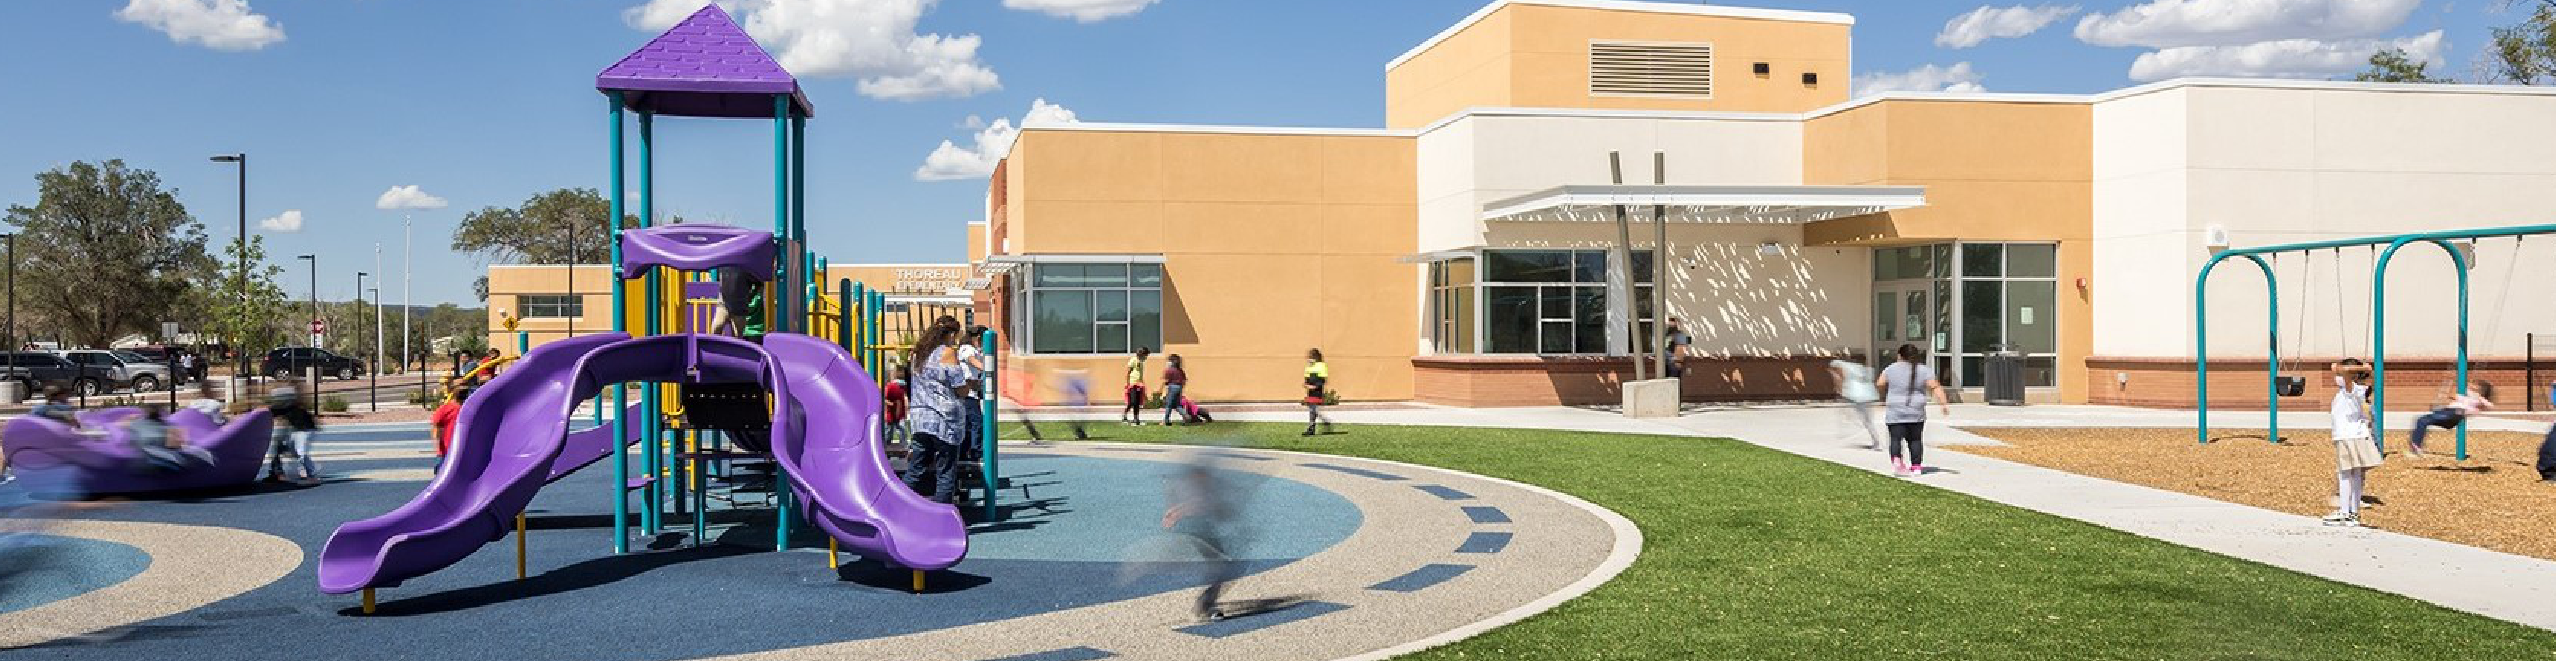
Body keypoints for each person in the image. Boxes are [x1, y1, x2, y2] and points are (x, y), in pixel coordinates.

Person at [903, 319, 973, 504]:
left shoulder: (917, 353)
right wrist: (971, 386)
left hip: (920, 418)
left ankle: (898, 507)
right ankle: (942, 514)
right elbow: (960, 388)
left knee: (915, 469)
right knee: (946, 472)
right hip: (944, 421)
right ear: (951, 334)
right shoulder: (947, 353)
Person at [2324, 359, 2384, 527]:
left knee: (2345, 474)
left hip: (2348, 436)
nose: (2337, 376)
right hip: (2355, 436)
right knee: (2355, 475)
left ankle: (2345, 513)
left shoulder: (2351, 389)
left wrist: (2358, 368)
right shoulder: (2356, 389)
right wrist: (2364, 369)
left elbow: (2339, 369)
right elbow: (2337, 368)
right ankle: (2353, 513)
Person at [1876, 344, 1950, 477]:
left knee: (1895, 438)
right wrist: (1943, 404)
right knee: (1915, 439)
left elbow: (1880, 383)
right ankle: (1916, 467)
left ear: (1899, 355)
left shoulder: (1891, 369)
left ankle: (1897, 463)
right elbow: (1935, 387)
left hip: (1895, 410)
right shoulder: (1924, 370)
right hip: (1916, 411)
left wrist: (1883, 395)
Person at [2407, 380, 2496, 458]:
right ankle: (2416, 447)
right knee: (2422, 420)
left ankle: (2416, 446)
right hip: (2448, 413)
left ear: (2480, 390)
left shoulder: (2478, 399)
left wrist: (2480, 399)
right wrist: (2445, 392)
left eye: (2474, 385)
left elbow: (2490, 406)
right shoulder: (2467, 397)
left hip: (2454, 414)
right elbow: (2454, 396)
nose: (2470, 386)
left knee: (2424, 419)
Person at [265, 386, 322, 485]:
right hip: (295, 431)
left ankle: (312, 475)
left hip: (306, 431)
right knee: (280, 448)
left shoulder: (291, 407)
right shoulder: (283, 408)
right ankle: (277, 473)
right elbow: (267, 412)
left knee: (300, 452)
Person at [1827, 357, 1881, 449]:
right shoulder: (1859, 367)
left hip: (1857, 396)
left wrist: (1839, 390)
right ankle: (1874, 439)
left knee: (1867, 421)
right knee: (1867, 419)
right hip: (1868, 395)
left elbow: (1839, 378)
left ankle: (1876, 442)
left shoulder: (1838, 365)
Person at [122, 405, 192, 473]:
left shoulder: (168, 425)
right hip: (150, 458)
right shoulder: (137, 424)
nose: (152, 411)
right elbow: (131, 440)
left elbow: (178, 444)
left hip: (162, 459)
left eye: (154, 409)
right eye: (151, 409)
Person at [708, 266, 768, 341]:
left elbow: (758, 284)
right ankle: (714, 346)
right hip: (723, 304)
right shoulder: (724, 265)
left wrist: (749, 297)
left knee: (738, 336)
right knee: (717, 327)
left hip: (740, 306)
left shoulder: (747, 268)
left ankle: (735, 347)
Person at [430, 388, 468, 473]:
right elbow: (436, 425)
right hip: (447, 452)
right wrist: (438, 444)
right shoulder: (446, 408)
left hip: (460, 451)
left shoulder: (467, 408)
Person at [1303, 349, 1335, 436]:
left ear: (1315, 357)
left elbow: (1322, 381)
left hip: (1317, 391)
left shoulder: (1321, 366)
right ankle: (1322, 422)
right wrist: (1306, 384)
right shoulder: (1309, 367)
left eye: (1310, 357)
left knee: (1313, 409)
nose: (1308, 359)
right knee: (1312, 410)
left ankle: (1313, 427)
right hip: (1310, 392)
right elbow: (1307, 379)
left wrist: (1314, 386)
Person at [1123, 347, 1153, 425]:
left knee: (1137, 402)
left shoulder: (1141, 363)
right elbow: (1128, 372)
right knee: (1132, 402)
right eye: (1145, 356)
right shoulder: (1133, 360)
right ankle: (1125, 414)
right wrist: (1127, 383)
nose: (1146, 358)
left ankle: (1136, 418)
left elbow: (1140, 375)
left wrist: (1143, 384)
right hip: (1132, 384)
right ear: (1141, 354)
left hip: (1139, 384)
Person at [883, 366, 911, 449]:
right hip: (892, 414)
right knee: (890, 431)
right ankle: (888, 445)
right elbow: (885, 399)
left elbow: (904, 399)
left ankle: (903, 445)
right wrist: (893, 404)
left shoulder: (901, 387)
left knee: (900, 430)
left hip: (898, 414)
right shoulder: (891, 387)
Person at [1161, 354, 1190, 425]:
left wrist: (1163, 390)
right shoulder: (1180, 370)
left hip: (1172, 387)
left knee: (1169, 405)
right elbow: (1184, 380)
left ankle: (1166, 420)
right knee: (1177, 405)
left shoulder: (1169, 370)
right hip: (1179, 387)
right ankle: (1185, 414)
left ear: (1171, 362)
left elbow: (1166, 380)